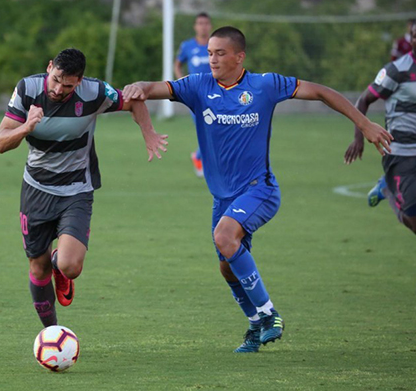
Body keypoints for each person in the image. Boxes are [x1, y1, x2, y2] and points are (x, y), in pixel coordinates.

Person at [123, 26, 392, 353]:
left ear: (240, 56)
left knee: (224, 237)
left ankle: (269, 315)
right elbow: (149, 90)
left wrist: (363, 124)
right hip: (223, 196)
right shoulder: (197, 86)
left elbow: (322, 92)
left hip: (259, 189)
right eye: (209, 53)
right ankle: (254, 325)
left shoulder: (264, 85)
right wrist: (140, 92)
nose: (212, 60)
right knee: (226, 265)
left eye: (220, 53)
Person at [0, 48, 168, 328]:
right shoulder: (27, 89)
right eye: (55, 79)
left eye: (67, 84)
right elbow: (1, 143)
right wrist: (26, 127)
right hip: (36, 189)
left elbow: (134, 99)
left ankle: (59, 262)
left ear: (80, 81)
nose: (58, 89)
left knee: (70, 267)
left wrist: (148, 132)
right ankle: (52, 332)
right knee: (38, 269)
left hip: (76, 188)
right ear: (49, 67)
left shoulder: (95, 92)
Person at [344, 18, 416, 293]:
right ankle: (388, 190)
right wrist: (359, 135)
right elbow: (364, 99)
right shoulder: (397, 70)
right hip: (400, 157)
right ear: (410, 38)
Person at [175, 12, 212, 178]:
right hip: (196, 96)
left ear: (210, 25)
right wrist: (183, 83)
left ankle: (199, 156)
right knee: (207, 128)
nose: (203, 26)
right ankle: (200, 157)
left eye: (205, 23)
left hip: (216, 94)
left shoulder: (216, 44)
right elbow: (178, 65)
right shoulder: (188, 46)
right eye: (200, 23)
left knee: (214, 128)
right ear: (195, 26)